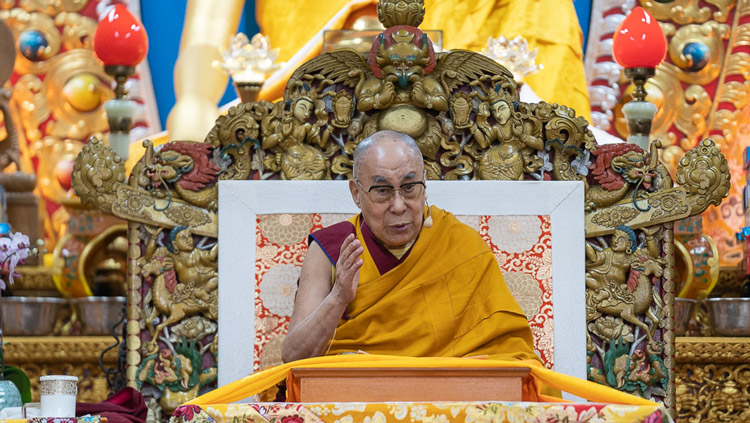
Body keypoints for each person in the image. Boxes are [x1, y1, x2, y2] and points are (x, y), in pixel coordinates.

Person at [281, 130, 539, 364]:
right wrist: (338, 298)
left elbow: (508, 353)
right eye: (382, 190)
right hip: (358, 395)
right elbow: (293, 356)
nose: (398, 205)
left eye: (409, 187)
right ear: (356, 193)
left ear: (425, 185)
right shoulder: (333, 249)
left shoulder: (461, 245)